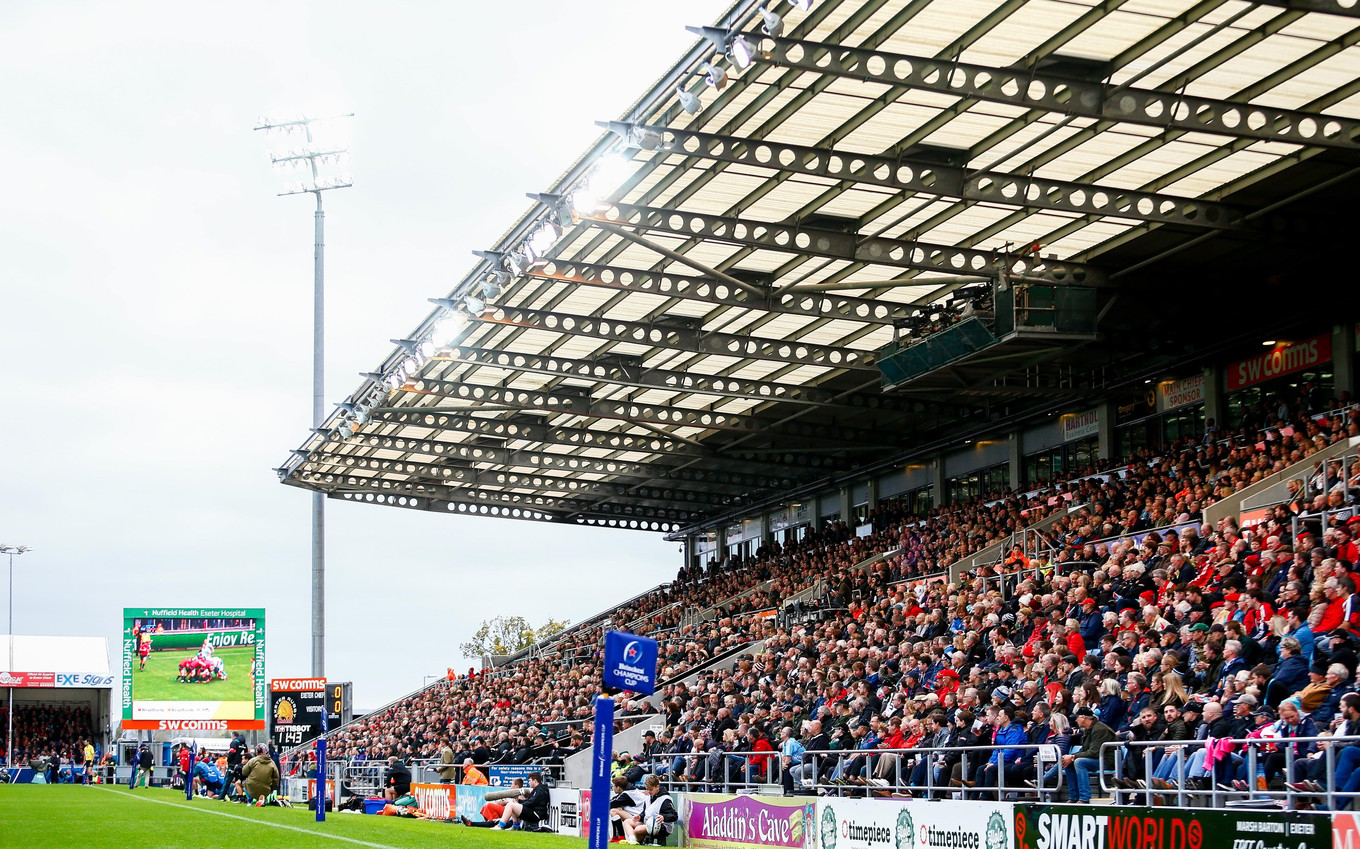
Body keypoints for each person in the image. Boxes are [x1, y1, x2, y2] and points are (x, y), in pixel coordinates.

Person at [620, 775, 678, 845]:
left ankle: (637, 841)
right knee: (627, 822)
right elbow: (645, 813)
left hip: (662, 826)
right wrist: (640, 817)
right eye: (647, 789)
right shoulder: (648, 798)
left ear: (657, 787)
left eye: (650, 789)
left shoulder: (665, 799)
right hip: (648, 823)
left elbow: (674, 815)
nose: (648, 791)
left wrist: (664, 817)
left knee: (638, 829)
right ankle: (632, 839)